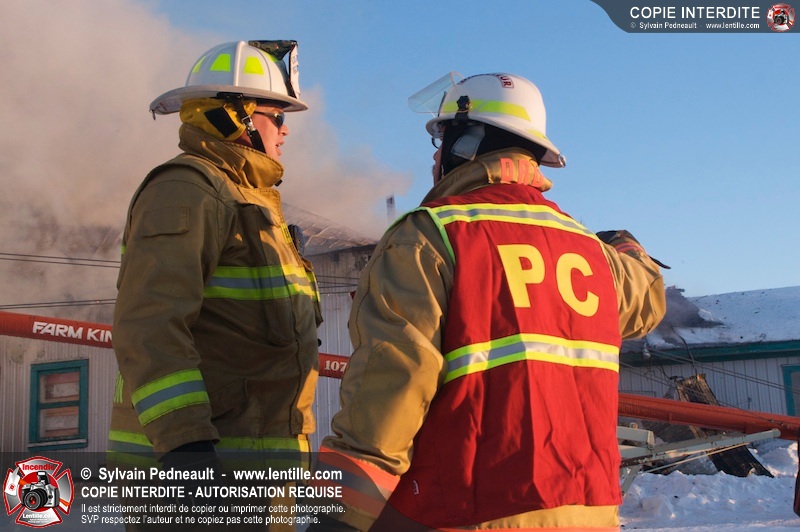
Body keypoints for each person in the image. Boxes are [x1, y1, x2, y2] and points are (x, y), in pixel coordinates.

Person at [310, 73, 667, 531]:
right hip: (591, 512)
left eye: (442, 139)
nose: (436, 156)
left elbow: (390, 390)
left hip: (470, 512)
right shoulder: (592, 252)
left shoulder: (429, 236)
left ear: (469, 142)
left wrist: (339, 514)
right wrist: (628, 246)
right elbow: (648, 298)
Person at [108, 40, 321, 496]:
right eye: (276, 116)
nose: (285, 130)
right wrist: (187, 449)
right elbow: (150, 325)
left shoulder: (248, 200)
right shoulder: (188, 190)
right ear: (234, 116)